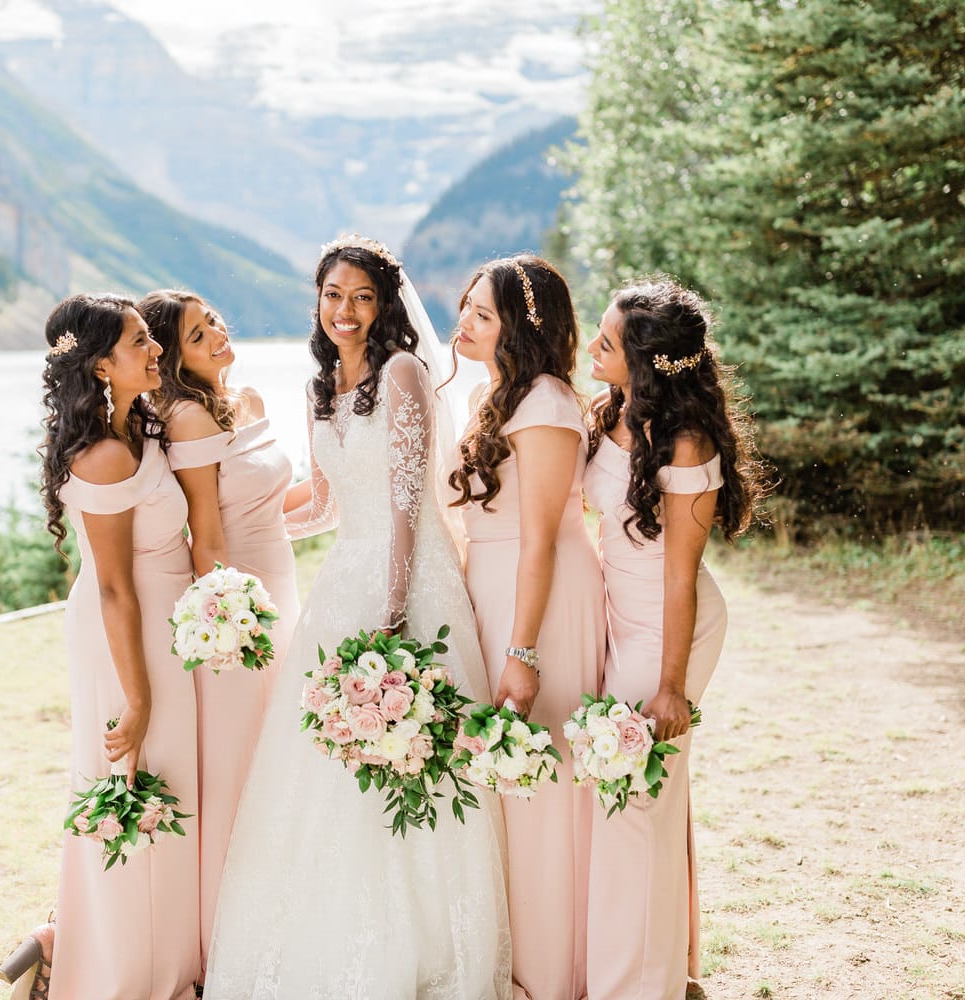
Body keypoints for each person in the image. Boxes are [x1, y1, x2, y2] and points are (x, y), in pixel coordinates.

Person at [204, 236, 512, 999]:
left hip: (409, 583)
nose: (345, 311)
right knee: (327, 768)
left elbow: (408, 508)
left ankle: (426, 946)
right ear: (317, 299)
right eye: (333, 295)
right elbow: (330, 503)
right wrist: (239, 524)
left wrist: (395, 611)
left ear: (385, 306)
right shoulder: (316, 389)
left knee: (415, 760)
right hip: (341, 582)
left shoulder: (404, 374)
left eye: (362, 297)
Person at [582, 278, 767, 1000]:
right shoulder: (612, 412)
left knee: (632, 802)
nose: (593, 348)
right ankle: (654, 972)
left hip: (670, 628)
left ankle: (642, 986)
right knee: (636, 804)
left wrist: (669, 687)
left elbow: (681, 580)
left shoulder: (685, 445)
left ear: (647, 360)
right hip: (617, 615)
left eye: (607, 341)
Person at [449, 254, 605, 1000]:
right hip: (494, 589)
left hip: (539, 598)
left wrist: (522, 649)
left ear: (522, 326)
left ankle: (551, 967)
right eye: (466, 309)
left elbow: (543, 536)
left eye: (483, 313)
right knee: (501, 782)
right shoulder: (494, 397)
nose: (465, 324)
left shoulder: (543, 402)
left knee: (542, 783)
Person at [38, 292, 201, 1000]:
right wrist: (136, 697)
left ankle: (161, 956)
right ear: (103, 365)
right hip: (122, 636)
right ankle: (122, 972)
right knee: (132, 787)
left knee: (169, 786)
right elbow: (112, 588)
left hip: (160, 623)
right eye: (141, 342)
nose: (156, 349)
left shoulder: (139, 427)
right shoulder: (102, 455)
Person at [137, 289, 300, 973]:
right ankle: (227, 940)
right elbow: (206, 535)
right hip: (240, 608)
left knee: (281, 766)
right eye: (199, 334)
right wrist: (231, 622)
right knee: (239, 767)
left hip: (283, 584)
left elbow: (274, 506)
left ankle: (282, 915)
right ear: (175, 357)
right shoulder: (187, 417)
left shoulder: (250, 400)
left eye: (215, 322)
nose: (218, 334)